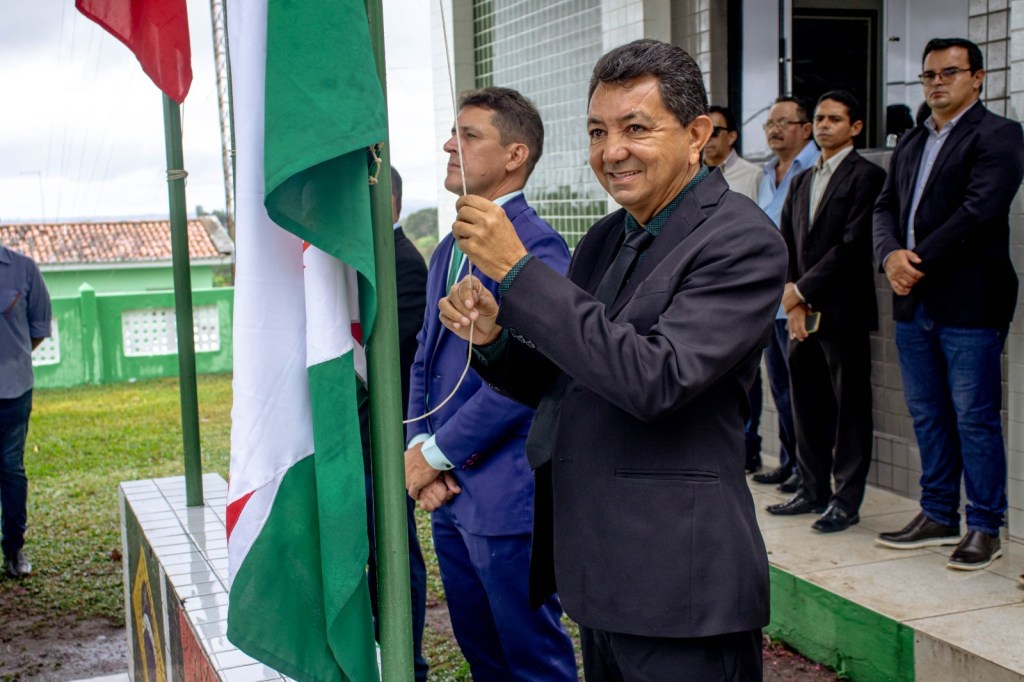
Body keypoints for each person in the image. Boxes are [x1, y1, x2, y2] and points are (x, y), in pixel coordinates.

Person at [439, 40, 786, 680]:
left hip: (680, 587)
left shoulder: (741, 239)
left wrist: (519, 272)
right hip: (600, 573)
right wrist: (493, 338)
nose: (612, 151)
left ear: (697, 135)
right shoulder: (606, 236)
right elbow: (568, 377)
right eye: (598, 132)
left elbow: (656, 379)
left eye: (636, 129)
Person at [403, 87, 577, 680]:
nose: (449, 145)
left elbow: (530, 376)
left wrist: (434, 454)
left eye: (469, 135)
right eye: (453, 134)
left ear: (515, 155)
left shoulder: (537, 247)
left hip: (504, 493)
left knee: (531, 659)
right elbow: (425, 360)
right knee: (481, 652)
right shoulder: (447, 248)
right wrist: (419, 447)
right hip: (449, 490)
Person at [873, 37, 1024, 570]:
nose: (937, 82)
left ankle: (984, 525)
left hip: (970, 300)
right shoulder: (913, 140)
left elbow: (980, 211)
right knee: (928, 413)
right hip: (913, 300)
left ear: (977, 78)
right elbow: (885, 206)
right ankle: (938, 513)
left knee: (974, 417)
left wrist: (913, 261)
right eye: (929, 74)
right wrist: (889, 255)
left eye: (950, 72)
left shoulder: (1000, 135)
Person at [771, 91, 884, 532]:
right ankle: (812, 488)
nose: (823, 126)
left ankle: (845, 500)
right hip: (803, 314)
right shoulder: (802, 180)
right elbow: (786, 242)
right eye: (819, 118)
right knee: (806, 405)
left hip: (844, 312)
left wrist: (799, 291)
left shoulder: (867, 176)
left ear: (855, 127)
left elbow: (852, 247)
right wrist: (794, 300)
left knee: (850, 409)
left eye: (834, 119)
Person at [360, 166, 429, 679]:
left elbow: (380, 358)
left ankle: (408, 661)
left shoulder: (402, 264)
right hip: (353, 442)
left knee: (393, 555)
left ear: (388, 201)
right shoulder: (363, 263)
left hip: (379, 442)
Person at [753, 97, 820, 494]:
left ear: (805, 129)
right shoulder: (766, 173)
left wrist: (800, 291)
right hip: (769, 300)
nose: (775, 130)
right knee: (780, 389)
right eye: (770, 124)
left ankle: (808, 473)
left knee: (804, 394)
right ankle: (789, 461)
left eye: (784, 123)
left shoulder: (814, 167)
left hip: (799, 298)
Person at [704, 104, 766, 472]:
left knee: (748, 377)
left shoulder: (753, 176)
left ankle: (748, 446)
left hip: (741, 291)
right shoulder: (694, 178)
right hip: (703, 291)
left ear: (732, 136)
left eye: (717, 131)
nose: (710, 139)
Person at [0, 244, 51, 578]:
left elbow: (38, 328)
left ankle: (13, 549)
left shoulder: (24, 268)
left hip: (13, 389)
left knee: (10, 468)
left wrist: (11, 359)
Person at [704, 105, 761, 201]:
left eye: (714, 131)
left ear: (731, 137)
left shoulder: (753, 175)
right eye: (704, 132)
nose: (707, 138)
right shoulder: (691, 175)